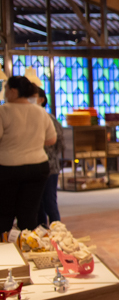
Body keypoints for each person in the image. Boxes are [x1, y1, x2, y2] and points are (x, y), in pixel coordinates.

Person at [0, 76, 57, 236]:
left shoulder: (4, 111)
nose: (4, 92)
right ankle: (29, 247)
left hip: (8, 168)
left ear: (13, 91)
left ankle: (5, 248)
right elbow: (51, 139)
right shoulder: (40, 111)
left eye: (5, 89)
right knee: (29, 215)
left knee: (5, 214)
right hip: (38, 166)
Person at [35, 89, 63, 226]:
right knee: (38, 205)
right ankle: (41, 233)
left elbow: (59, 142)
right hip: (35, 166)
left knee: (49, 202)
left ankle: (57, 233)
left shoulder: (49, 118)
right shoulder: (30, 117)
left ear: (41, 99)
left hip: (50, 166)